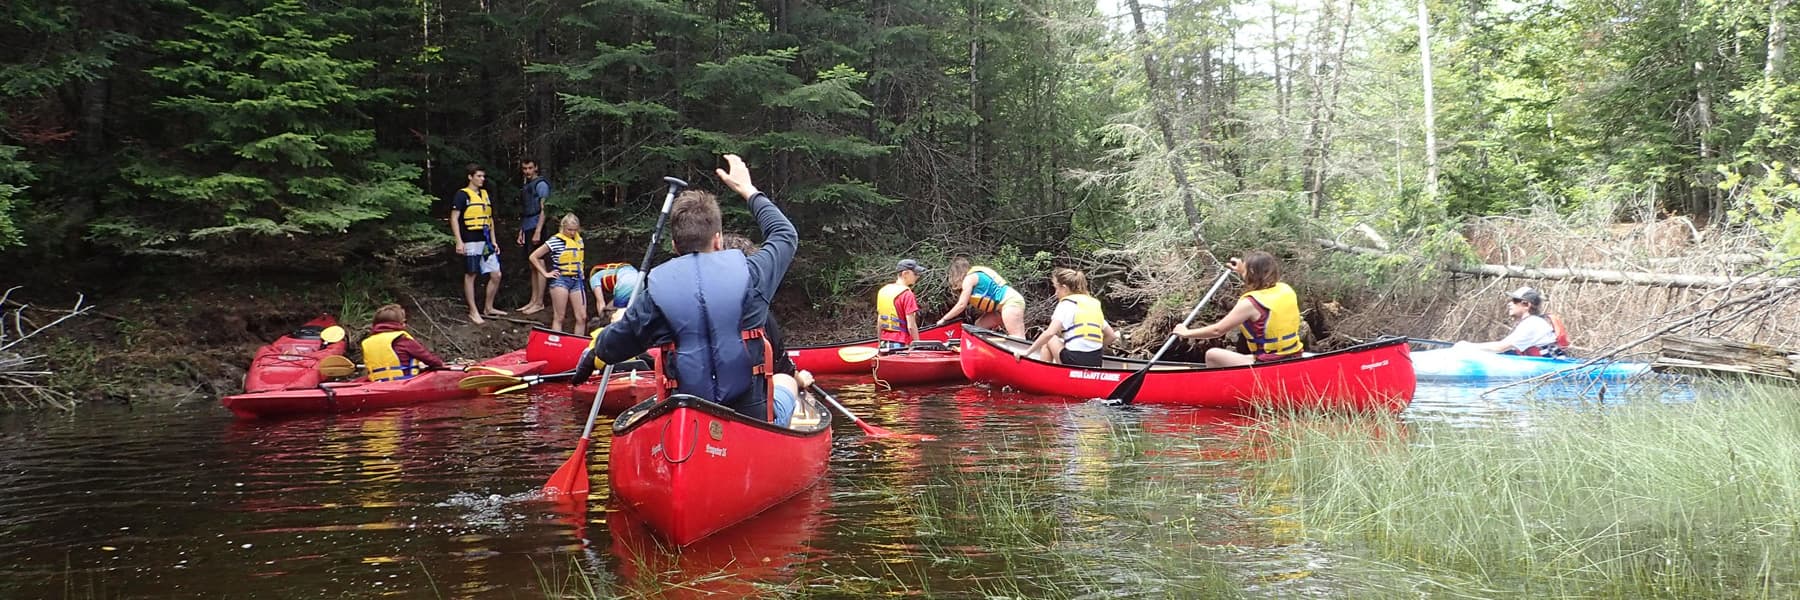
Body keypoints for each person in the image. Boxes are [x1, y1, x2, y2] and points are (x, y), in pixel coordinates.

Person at [577, 154, 799, 427]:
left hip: (689, 423)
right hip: (750, 421)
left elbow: (612, 347)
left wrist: (595, 349)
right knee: (786, 381)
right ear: (718, 240)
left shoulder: (655, 295)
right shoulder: (752, 274)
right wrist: (748, 190)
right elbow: (785, 234)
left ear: (674, 244)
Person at [1172, 252, 1305, 367]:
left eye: (1246, 269)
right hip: (1294, 355)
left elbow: (1217, 330)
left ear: (1251, 272)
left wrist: (1187, 333)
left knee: (1212, 355)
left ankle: (1222, 393)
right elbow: (1260, 282)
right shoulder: (1285, 289)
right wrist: (1242, 270)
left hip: (1268, 362)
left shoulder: (1250, 303)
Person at [722, 233, 804, 397]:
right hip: (752, 404)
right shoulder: (762, 318)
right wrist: (801, 381)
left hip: (707, 398)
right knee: (786, 381)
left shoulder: (696, 311)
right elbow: (782, 368)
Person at [1014, 268, 1119, 367]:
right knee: (1060, 341)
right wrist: (1093, 348)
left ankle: (1044, 375)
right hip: (1095, 361)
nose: (1055, 294)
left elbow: (1050, 333)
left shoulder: (1066, 303)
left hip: (1074, 361)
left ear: (1064, 288)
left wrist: (1027, 352)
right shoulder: (1093, 304)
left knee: (1050, 340)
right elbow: (1112, 336)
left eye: (1056, 288)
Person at [450, 163, 504, 324]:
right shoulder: (462, 195)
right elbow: (454, 218)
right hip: (470, 240)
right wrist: (459, 241)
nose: (482, 179)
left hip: (486, 240)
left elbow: (489, 219)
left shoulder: (485, 194)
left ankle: (488, 307)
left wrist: (494, 241)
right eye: (479, 176)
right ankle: (473, 311)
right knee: (471, 274)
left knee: (496, 274)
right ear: (470, 177)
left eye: (483, 176)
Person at [1454, 286, 1570, 357]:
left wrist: (1467, 346)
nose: (1509, 304)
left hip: (1548, 368)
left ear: (1526, 305)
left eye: (1515, 301)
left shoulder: (1532, 324)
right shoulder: (1532, 322)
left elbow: (1500, 347)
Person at [528, 214, 589, 335]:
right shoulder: (555, 240)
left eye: (575, 230)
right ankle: (556, 345)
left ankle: (577, 347)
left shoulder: (579, 240)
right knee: (559, 317)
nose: (572, 233)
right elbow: (533, 256)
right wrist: (545, 273)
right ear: (563, 228)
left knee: (582, 316)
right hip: (560, 280)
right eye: (569, 230)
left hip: (576, 280)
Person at [936, 258, 1027, 337]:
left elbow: (961, 305)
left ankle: (1022, 355)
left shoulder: (969, 279)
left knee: (1016, 337)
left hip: (1011, 302)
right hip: (999, 308)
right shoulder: (973, 277)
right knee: (979, 325)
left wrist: (944, 319)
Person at [361, 304, 452, 381]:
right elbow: (431, 360)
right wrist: (440, 364)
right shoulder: (402, 339)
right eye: (404, 321)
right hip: (404, 381)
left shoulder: (368, 341)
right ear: (400, 323)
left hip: (377, 383)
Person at [516, 159, 552, 315]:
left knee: (539, 262)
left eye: (530, 168)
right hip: (528, 224)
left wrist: (538, 230)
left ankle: (539, 302)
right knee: (532, 264)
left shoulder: (541, 185)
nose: (527, 171)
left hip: (538, 225)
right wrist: (522, 230)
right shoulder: (527, 186)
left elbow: (544, 209)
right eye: (525, 168)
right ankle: (533, 299)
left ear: (536, 167)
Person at [877, 259, 927, 353]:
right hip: (901, 343)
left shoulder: (883, 291)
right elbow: (911, 326)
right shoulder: (907, 294)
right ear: (905, 274)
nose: (917, 276)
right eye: (915, 274)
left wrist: (879, 343)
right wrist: (918, 345)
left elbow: (880, 321)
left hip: (884, 343)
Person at [588, 261, 641, 326]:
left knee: (618, 317)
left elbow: (600, 303)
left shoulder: (594, 278)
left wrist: (602, 321)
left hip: (625, 283)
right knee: (631, 312)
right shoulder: (617, 270)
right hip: (640, 281)